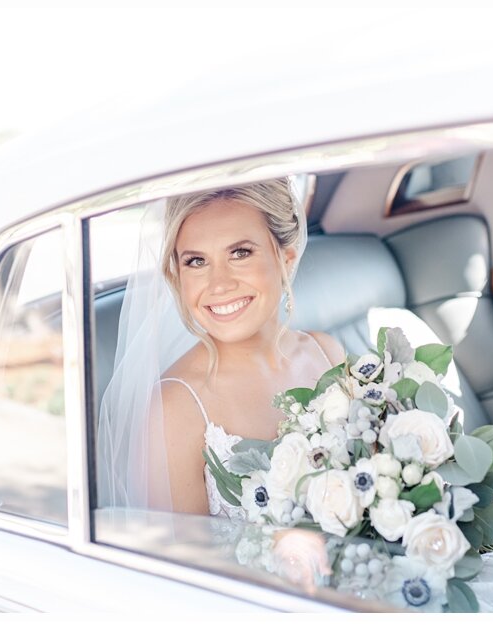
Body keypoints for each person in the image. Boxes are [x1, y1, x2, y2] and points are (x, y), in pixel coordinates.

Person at [96, 177, 344, 515]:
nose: (220, 284)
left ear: (285, 259)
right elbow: (182, 561)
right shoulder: (172, 411)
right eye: (196, 261)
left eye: (240, 253)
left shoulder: (327, 353)